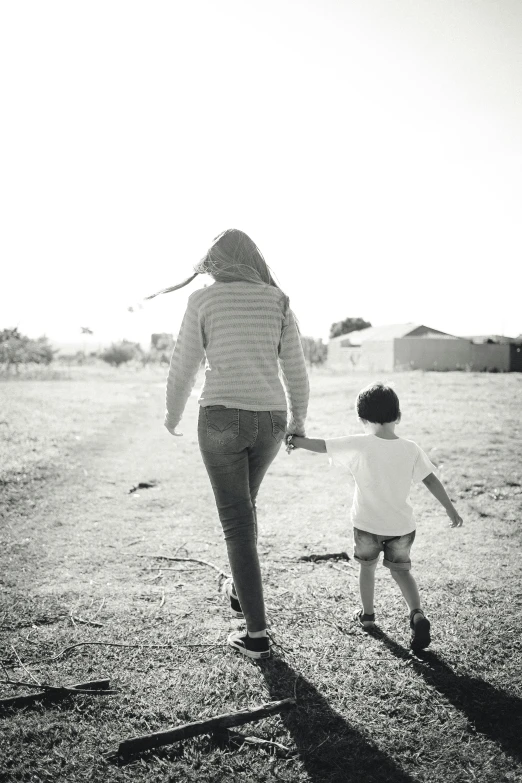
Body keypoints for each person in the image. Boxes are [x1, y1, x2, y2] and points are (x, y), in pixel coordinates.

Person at [148, 229, 309, 659]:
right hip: (270, 421)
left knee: (237, 523)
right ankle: (240, 590)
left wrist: (172, 414)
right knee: (246, 508)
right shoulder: (276, 299)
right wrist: (298, 421)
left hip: (220, 417)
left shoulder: (203, 300)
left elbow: (184, 361)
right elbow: (295, 368)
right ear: (254, 258)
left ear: (214, 260)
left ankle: (256, 636)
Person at [286, 381, 463, 650]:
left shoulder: (360, 443)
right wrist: (450, 508)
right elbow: (430, 480)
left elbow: (322, 445)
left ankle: (368, 616)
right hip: (401, 527)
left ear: (362, 419)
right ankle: (417, 614)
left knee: (367, 569)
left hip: (367, 525)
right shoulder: (411, 448)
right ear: (398, 417)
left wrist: (294, 440)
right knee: (402, 573)